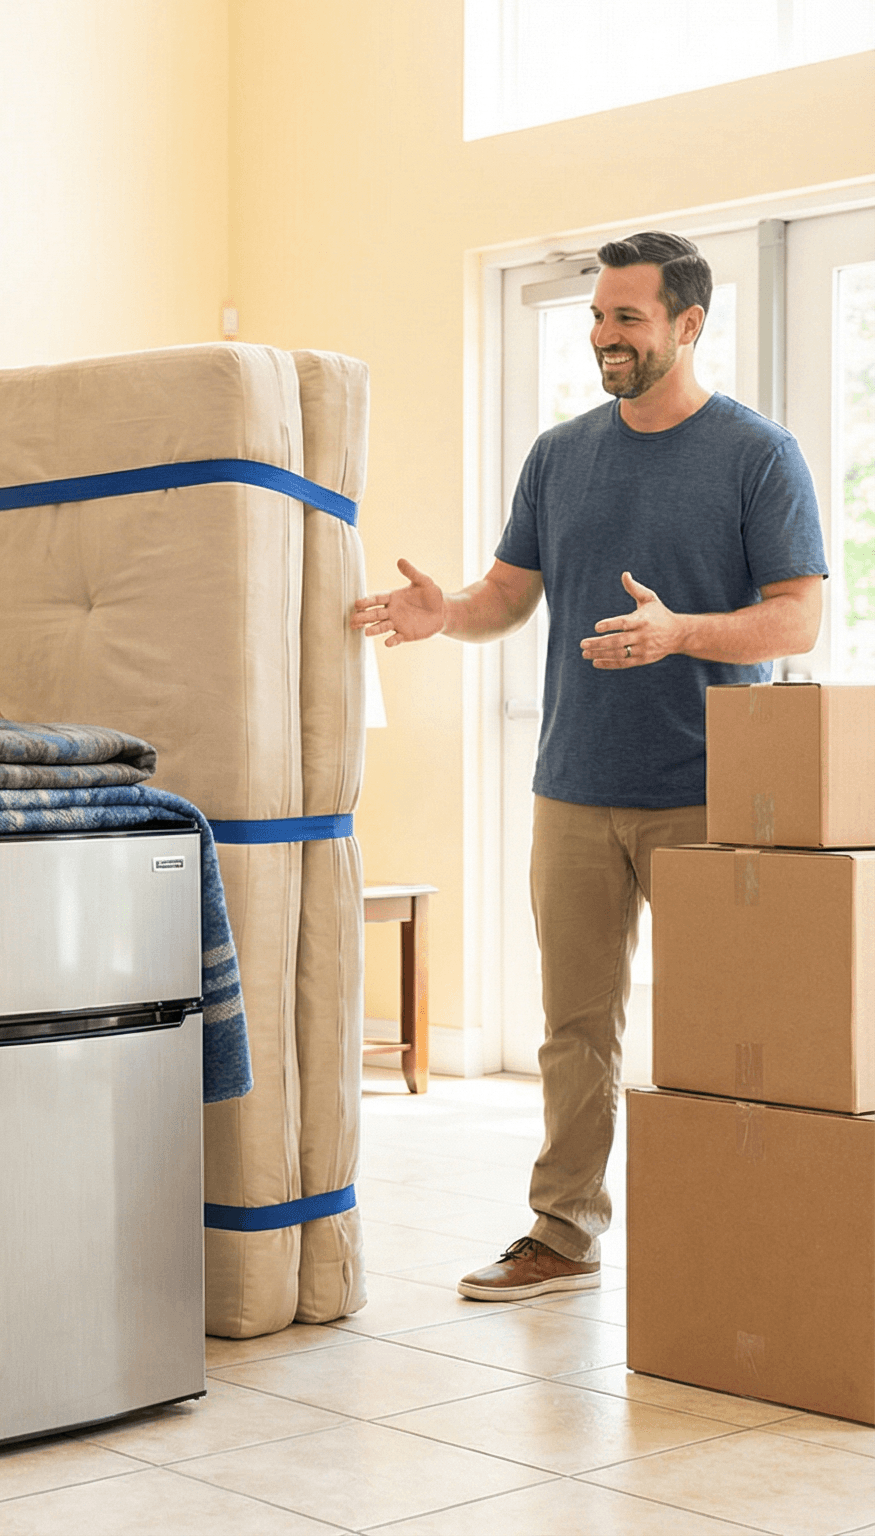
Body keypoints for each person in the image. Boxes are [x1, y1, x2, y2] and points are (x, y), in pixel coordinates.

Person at [352, 231, 826, 1302]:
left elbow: (797, 614)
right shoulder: (560, 455)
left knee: (722, 1033)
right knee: (574, 1028)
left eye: (626, 318)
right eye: (596, 318)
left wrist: (681, 634)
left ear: (686, 325)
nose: (603, 336)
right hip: (571, 787)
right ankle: (561, 1231)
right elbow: (504, 599)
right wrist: (447, 616)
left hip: (706, 793)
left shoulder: (755, 454)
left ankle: (727, 1235)